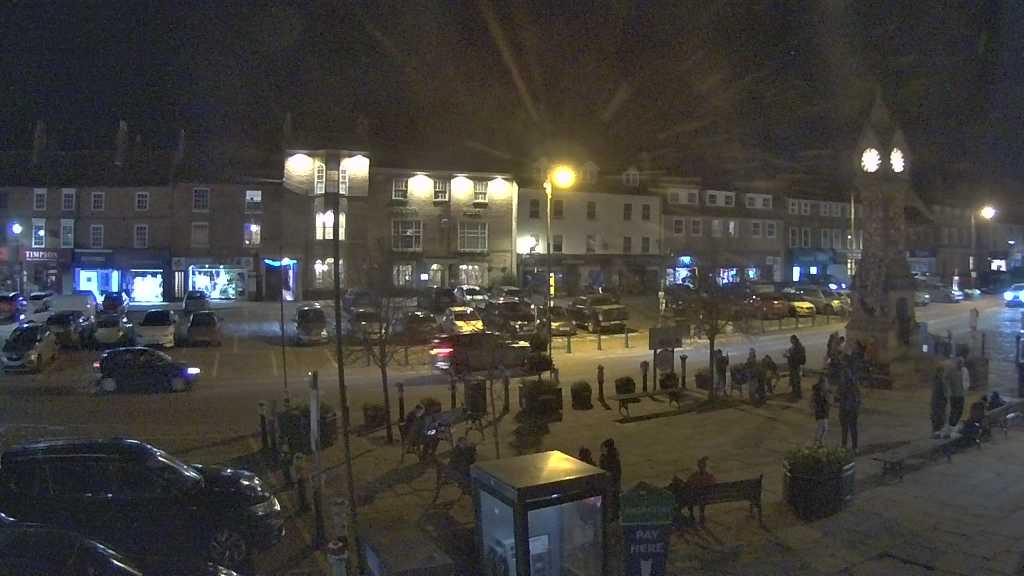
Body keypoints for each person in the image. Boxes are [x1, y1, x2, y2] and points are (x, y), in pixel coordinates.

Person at [836, 361, 862, 453]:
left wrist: (856, 408)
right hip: (845, 408)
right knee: (846, 429)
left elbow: (858, 398)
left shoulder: (853, 385)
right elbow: (837, 396)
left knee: (851, 428)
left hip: (850, 409)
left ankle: (853, 446)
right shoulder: (842, 384)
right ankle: (845, 446)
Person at [685, 456, 718, 524]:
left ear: (699, 466)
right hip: (706, 498)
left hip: (696, 498)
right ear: (705, 466)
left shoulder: (694, 476)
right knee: (701, 496)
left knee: (689, 495)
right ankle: (701, 514)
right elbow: (714, 484)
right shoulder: (709, 476)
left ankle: (691, 514)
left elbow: (688, 484)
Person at [599, 438, 622, 521]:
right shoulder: (609, 458)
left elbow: (614, 473)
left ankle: (612, 518)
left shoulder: (609, 459)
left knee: (611, 501)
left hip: (610, 484)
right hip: (611, 484)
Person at [946, 357, 966, 438]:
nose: (961, 365)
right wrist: (949, 389)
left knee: (960, 411)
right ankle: (951, 427)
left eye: (962, 363)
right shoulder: (951, 371)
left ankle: (954, 425)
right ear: (957, 363)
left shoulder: (963, 371)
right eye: (960, 363)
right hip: (954, 395)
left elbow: (965, 382)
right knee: (954, 411)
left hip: (961, 394)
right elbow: (946, 379)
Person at [930, 365, 949, 439]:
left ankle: (938, 432)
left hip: (940, 402)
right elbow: (939, 392)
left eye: (942, 372)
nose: (942, 373)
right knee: (937, 417)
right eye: (941, 372)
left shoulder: (940, 380)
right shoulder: (938, 381)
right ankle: (936, 433)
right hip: (937, 402)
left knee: (940, 418)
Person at [812, 376, 830, 446]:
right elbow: (814, 401)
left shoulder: (826, 391)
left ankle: (819, 441)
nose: (825, 384)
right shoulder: (817, 392)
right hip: (820, 411)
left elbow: (828, 401)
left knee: (824, 428)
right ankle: (817, 442)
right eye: (824, 382)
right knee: (822, 427)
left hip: (825, 411)